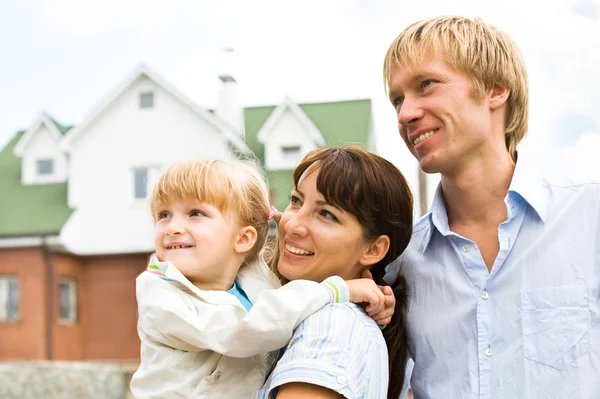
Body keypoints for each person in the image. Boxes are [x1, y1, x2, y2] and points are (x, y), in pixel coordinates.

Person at [383, 15, 600, 398]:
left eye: (426, 85)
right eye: (398, 99)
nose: (404, 115)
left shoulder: (590, 216)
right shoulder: (401, 261)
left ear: (496, 90)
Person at [130, 158, 395, 398]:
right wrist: (339, 290)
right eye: (163, 215)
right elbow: (247, 328)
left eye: (195, 213)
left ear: (243, 239)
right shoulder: (160, 294)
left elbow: (282, 303)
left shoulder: (252, 283)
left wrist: (372, 300)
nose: (173, 228)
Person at [256, 146, 414, 399]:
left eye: (326, 214)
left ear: (373, 249)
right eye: (296, 201)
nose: (292, 224)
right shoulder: (296, 311)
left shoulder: (330, 329)